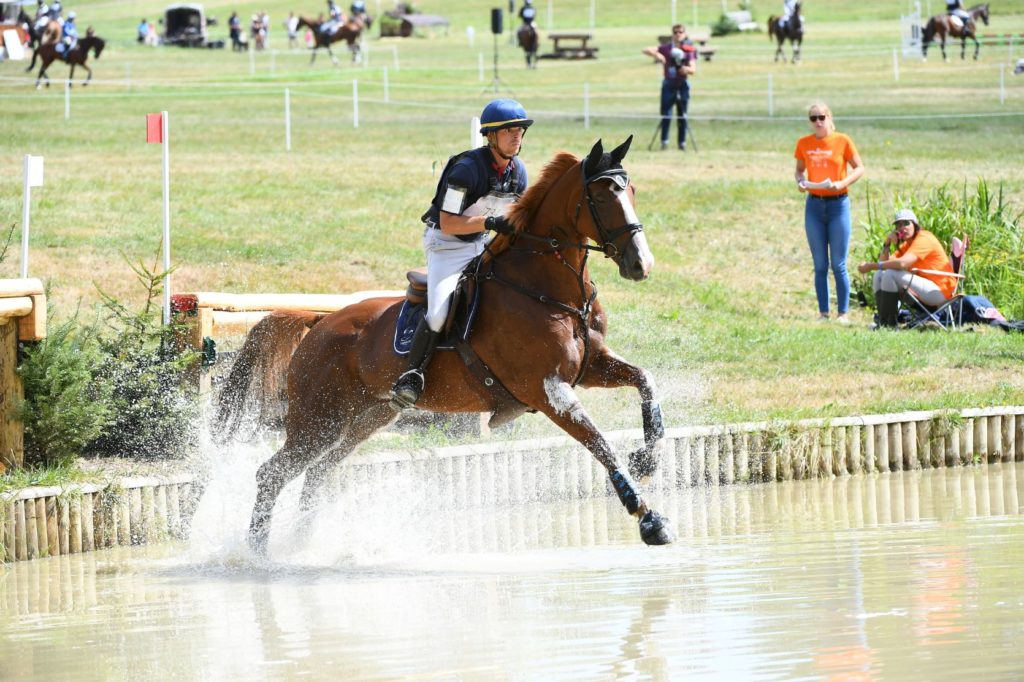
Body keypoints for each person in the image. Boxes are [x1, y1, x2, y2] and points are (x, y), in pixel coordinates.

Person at [389, 99, 533, 411]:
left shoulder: (518, 173)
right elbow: (448, 222)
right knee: (440, 310)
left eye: (520, 130)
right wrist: (490, 223)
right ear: (491, 136)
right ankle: (411, 377)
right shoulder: (466, 170)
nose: (516, 136)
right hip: (446, 245)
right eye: (508, 130)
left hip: (481, 244)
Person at [793, 102, 865, 324]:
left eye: (821, 117)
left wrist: (842, 182)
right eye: (813, 118)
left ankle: (842, 313)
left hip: (838, 204)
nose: (818, 122)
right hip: (814, 205)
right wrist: (801, 182)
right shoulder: (804, 143)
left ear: (829, 117)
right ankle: (823, 313)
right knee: (820, 265)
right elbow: (799, 170)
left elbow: (859, 168)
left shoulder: (842, 140)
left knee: (838, 263)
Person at [857, 209, 956, 328]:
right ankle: (884, 322)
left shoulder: (924, 238)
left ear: (915, 225)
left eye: (906, 223)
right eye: (898, 225)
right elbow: (884, 263)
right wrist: (887, 243)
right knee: (880, 274)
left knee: (890, 274)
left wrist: (871, 266)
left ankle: (889, 325)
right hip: (924, 291)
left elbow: (903, 263)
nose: (902, 227)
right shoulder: (907, 245)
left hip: (939, 293)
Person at [642, 24, 697, 151]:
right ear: (672, 34)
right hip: (668, 84)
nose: (678, 34)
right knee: (666, 115)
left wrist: (686, 69)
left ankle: (682, 143)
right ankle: (664, 142)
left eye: (681, 32)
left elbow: (693, 69)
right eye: (676, 32)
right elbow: (646, 50)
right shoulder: (666, 48)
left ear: (684, 34)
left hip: (682, 84)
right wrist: (657, 55)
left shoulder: (688, 50)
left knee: (682, 115)